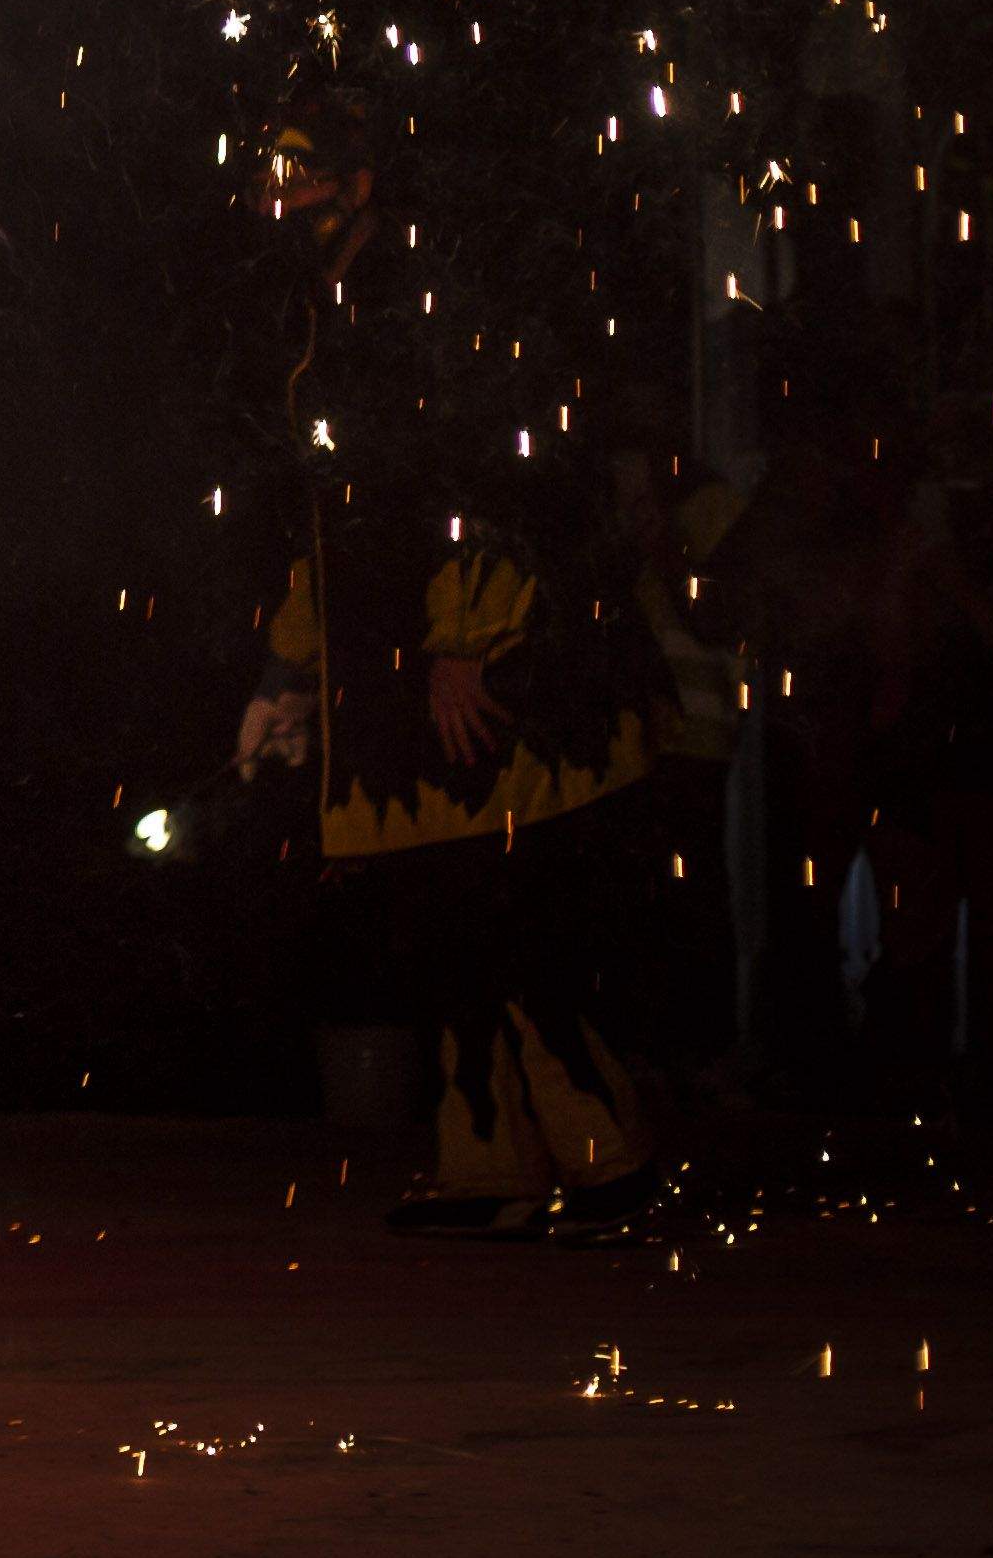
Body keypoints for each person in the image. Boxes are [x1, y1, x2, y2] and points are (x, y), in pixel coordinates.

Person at [230, 100, 671, 1235]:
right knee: (448, 926)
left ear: (362, 183)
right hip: (398, 675)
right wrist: (288, 674)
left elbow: (498, 479)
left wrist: (467, 641)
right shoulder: (328, 323)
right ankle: (491, 1165)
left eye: (298, 173)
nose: (276, 198)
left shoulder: (426, 311)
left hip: (489, 670)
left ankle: (606, 1161)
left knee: (508, 921)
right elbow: (346, 524)